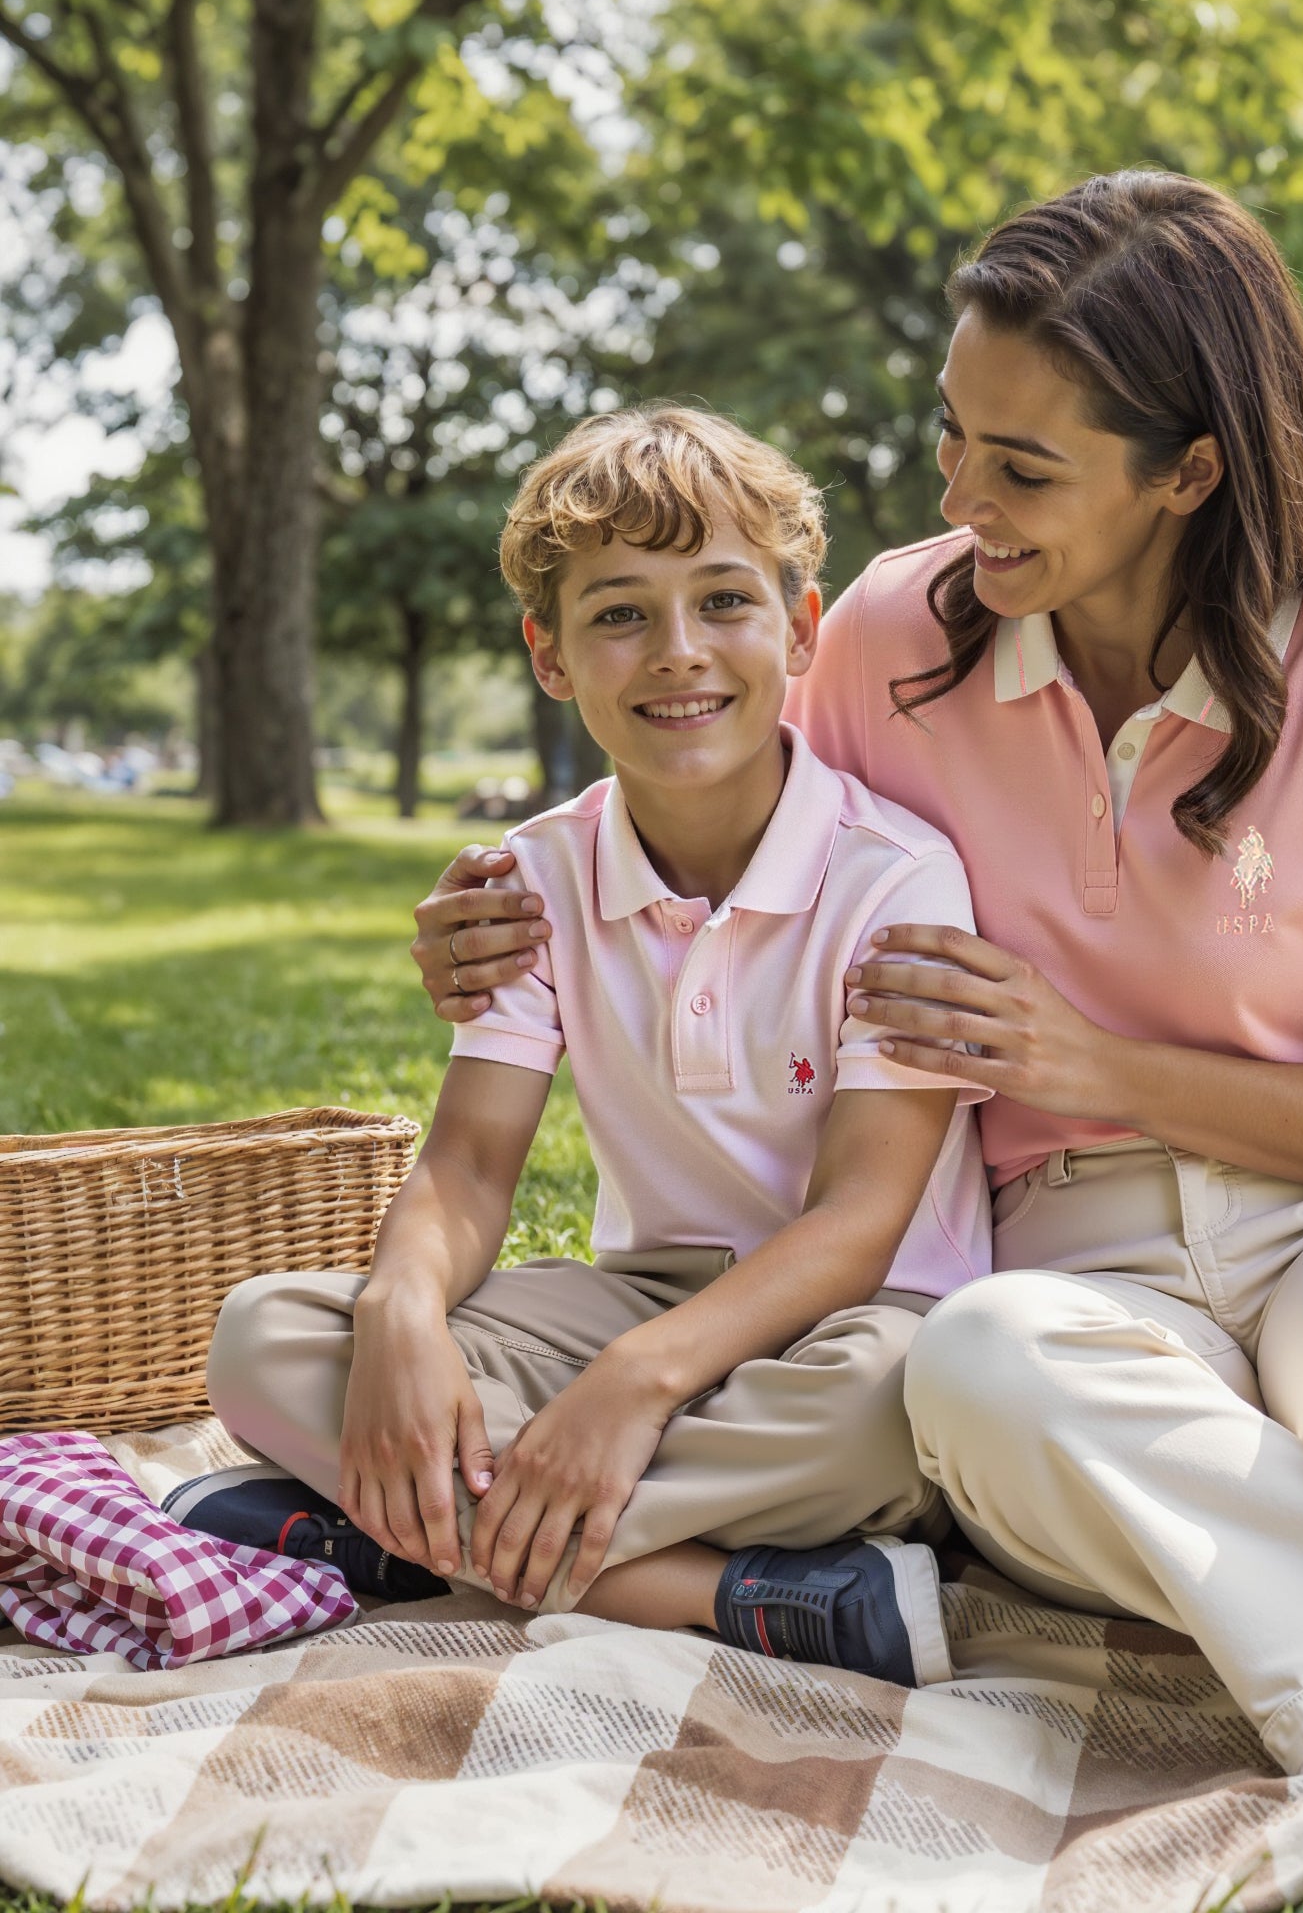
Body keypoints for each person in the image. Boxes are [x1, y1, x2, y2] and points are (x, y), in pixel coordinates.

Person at [412, 171, 1303, 1775]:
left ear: (1185, 473)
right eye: (953, 437)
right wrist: (492, 910)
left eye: (1020, 465)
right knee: (983, 1371)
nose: (963, 498)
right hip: (1069, 1259)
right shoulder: (894, 631)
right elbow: (696, 787)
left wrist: (1087, 1064)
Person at [175, 405, 990, 1688]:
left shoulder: (894, 880)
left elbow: (860, 1223)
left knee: (889, 1421)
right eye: (618, 614)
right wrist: (400, 1309)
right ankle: (717, 1592)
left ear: (800, 627)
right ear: (548, 655)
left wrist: (628, 1389)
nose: (678, 654)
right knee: (266, 1337)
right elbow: (471, 1167)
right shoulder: (535, 876)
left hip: (856, 1317)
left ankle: (394, 1535)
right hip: (646, 1290)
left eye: (722, 601)